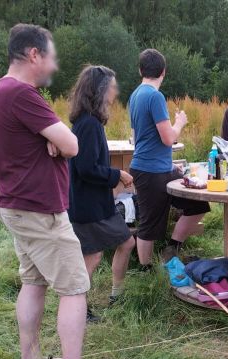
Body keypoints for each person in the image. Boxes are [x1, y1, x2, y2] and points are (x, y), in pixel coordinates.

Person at [0, 24, 110, 359]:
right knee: (74, 287)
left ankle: (31, 358)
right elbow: (71, 145)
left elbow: (58, 142)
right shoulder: (22, 94)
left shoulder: (0, 91)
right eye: (51, 57)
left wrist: (53, 141)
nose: (54, 66)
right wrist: (57, 141)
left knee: (33, 281)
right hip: (40, 210)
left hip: (17, 205)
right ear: (33, 54)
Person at [128, 49, 210, 266]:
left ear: (140, 70)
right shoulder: (155, 96)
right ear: (163, 72)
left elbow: (137, 137)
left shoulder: (135, 94)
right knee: (149, 223)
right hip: (150, 171)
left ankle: (173, 247)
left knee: (198, 205)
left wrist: (167, 162)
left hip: (156, 167)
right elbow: (168, 138)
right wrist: (180, 122)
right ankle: (145, 270)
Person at [67, 65, 136, 319]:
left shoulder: (90, 122)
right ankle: (78, 308)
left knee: (127, 242)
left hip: (98, 203)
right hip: (88, 205)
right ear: (99, 90)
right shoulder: (88, 125)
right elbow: (86, 169)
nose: (115, 91)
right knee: (93, 257)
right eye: (112, 86)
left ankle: (116, 295)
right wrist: (118, 175)